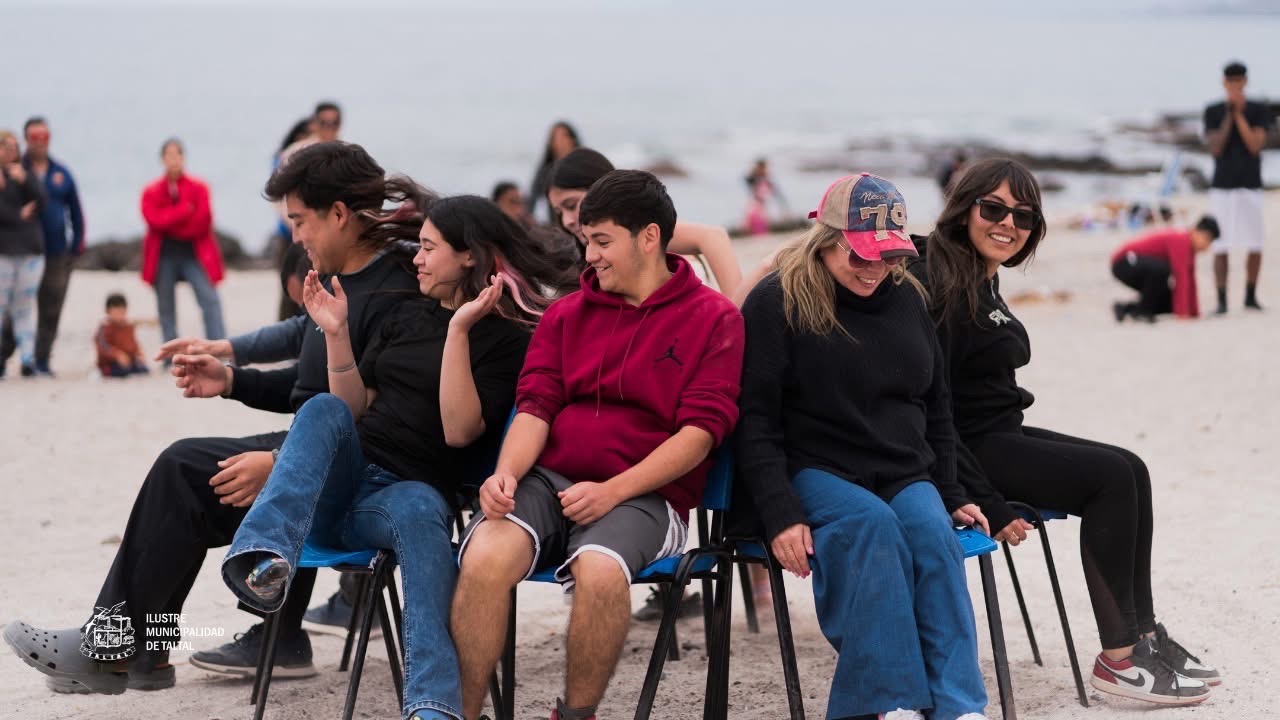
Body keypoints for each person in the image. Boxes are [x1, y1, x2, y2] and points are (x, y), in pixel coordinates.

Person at [2, 141, 430, 694]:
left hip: (356, 479)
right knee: (181, 472)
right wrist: (232, 380)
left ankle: (114, 648)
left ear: (340, 215)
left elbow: (381, 424)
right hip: (311, 452)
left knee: (183, 470)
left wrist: (278, 465)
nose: (295, 237)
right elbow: (312, 387)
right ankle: (139, 652)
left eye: (300, 221)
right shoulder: (345, 277)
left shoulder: (396, 292)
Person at [223, 195, 572, 720]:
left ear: (469, 257)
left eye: (430, 248)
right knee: (321, 409)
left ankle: (432, 706)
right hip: (342, 479)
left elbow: (458, 432)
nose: (418, 259)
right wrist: (337, 335)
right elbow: (353, 408)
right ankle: (265, 559)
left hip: (404, 496)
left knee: (419, 511)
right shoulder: (406, 311)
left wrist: (458, 331)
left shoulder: (507, 340)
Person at [917, 157, 1217, 706]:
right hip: (970, 448)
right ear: (965, 211)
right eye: (994, 209)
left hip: (1001, 430)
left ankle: (1143, 634)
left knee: (1131, 465)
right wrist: (987, 500)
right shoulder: (941, 283)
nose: (1008, 224)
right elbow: (931, 409)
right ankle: (1120, 660)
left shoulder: (981, 276)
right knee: (1107, 478)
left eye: (1024, 216)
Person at [450, 170, 745, 720]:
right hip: (548, 482)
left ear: (649, 237)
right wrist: (506, 474)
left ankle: (576, 716)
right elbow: (535, 408)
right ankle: (463, 714)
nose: (590, 256)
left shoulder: (714, 318)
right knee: (484, 555)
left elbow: (700, 436)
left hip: (646, 495)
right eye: (587, 241)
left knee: (601, 571)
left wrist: (612, 491)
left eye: (602, 241)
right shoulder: (565, 315)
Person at [737, 173, 990, 720]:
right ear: (827, 238)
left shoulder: (906, 297)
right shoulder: (776, 300)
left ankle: (958, 705)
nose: (875, 268)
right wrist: (779, 515)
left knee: (933, 535)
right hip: (812, 467)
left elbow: (937, 407)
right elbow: (754, 420)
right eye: (861, 255)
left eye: (889, 257)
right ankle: (891, 702)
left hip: (901, 468)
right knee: (872, 528)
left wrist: (949, 490)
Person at [546, 147, 743, 300]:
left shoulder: (642, 231)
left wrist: (735, 315)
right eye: (559, 212)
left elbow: (713, 236)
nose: (567, 221)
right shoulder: (583, 262)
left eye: (571, 205)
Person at [0, 117, 85, 377]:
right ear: (26, 140)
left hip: (57, 251)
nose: (39, 143)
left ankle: (40, 360)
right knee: (13, 310)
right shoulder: (9, 170)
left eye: (44, 137)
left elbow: (74, 209)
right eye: (34, 138)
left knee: (50, 309)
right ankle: (5, 357)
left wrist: (78, 243)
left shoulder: (60, 172)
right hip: (17, 249)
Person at [141, 138, 227, 344]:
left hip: (194, 254)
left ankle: (218, 346)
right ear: (162, 159)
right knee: (165, 307)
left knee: (210, 300)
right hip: (164, 255)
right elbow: (153, 220)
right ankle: (170, 351)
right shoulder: (151, 191)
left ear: (183, 157)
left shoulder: (199, 187)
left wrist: (170, 222)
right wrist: (183, 212)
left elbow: (202, 221)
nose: (174, 160)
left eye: (177, 155)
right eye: (169, 156)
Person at [1203, 61, 1274, 314]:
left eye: (1238, 80)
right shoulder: (1213, 111)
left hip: (1250, 183)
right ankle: (1222, 299)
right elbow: (1216, 147)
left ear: (1245, 81)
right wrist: (1228, 117)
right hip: (1222, 185)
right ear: (1224, 83)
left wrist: (1239, 115)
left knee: (1255, 241)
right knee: (1220, 243)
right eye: (1230, 81)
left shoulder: (1258, 110)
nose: (1234, 85)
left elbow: (1255, 145)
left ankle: (1250, 296)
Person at [1111, 217, 1219, 323]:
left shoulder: (1190, 249)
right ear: (1195, 231)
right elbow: (1181, 277)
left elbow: (1190, 281)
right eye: (1207, 239)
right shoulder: (1181, 239)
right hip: (1124, 262)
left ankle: (1127, 309)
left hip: (1143, 267)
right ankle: (1144, 312)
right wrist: (1183, 315)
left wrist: (1194, 313)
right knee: (1162, 270)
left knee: (1170, 301)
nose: (1207, 246)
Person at [0, 129, 46, 379]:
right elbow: (11, 213)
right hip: (4, 253)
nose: (11, 152)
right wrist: (17, 215)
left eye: (14, 147)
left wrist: (25, 180)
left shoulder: (23, 173)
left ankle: (28, 361)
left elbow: (42, 201)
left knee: (24, 309)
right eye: (6, 147)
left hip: (29, 251)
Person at [528, 120, 580, 222]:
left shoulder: (584, 165)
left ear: (573, 140)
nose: (560, 142)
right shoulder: (546, 171)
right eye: (555, 138)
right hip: (556, 224)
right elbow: (533, 198)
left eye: (563, 137)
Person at [95, 293, 149, 377]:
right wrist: (117, 355)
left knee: (144, 369)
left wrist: (139, 353)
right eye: (116, 312)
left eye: (122, 312)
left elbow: (134, 343)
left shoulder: (128, 326)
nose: (120, 316)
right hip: (110, 362)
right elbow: (103, 346)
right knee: (121, 371)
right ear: (108, 311)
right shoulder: (105, 327)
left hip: (129, 360)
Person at [743, 157, 785, 235]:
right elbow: (748, 180)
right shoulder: (754, 177)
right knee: (754, 218)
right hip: (755, 201)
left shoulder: (764, 177)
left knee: (762, 218)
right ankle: (756, 233)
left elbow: (773, 189)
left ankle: (761, 233)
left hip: (761, 201)